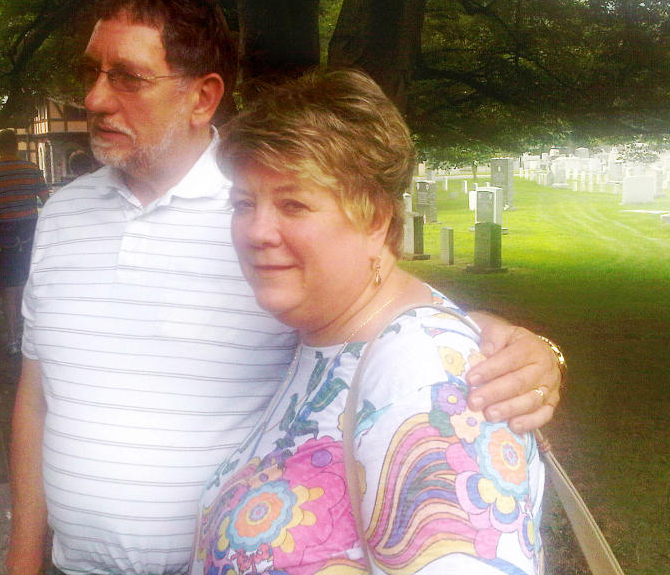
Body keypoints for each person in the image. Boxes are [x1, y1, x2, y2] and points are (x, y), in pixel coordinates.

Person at [9, 0, 562, 575]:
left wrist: (503, 346)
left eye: (129, 78)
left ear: (202, 96)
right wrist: (23, 560)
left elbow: (402, 336)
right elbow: (39, 394)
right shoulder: (62, 216)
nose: (93, 99)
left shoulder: (270, 217)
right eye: (91, 72)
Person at [192, 69, 545, 574]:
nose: (257, 230)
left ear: (375, 218)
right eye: (244, 203)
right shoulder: (324, 334)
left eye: (293, 203)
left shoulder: (423, 379)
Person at [0, 129, 50, 356]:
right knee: (29, 284)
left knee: (9, 288)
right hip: (30, 234)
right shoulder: (32, 170)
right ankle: (30, 335)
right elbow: (47, 201)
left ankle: (12, 339)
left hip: (3, 238)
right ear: (16, 146)